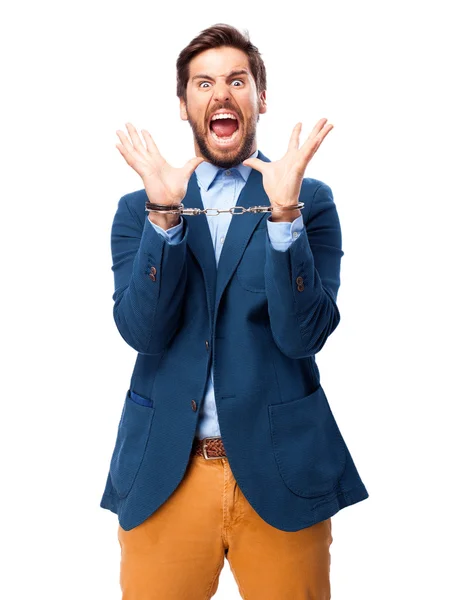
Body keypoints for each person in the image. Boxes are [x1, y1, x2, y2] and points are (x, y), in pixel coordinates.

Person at [100, 22, 369, 600]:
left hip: (281, 474)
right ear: (183, 104)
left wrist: (284, 215)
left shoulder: (308, 200)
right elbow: (141, 330)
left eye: (236, 81)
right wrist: (163, 216)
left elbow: (305, 336)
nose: (221, 94)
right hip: (166, 476)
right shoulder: (138, 208)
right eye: (203, 83)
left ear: (259, 98)